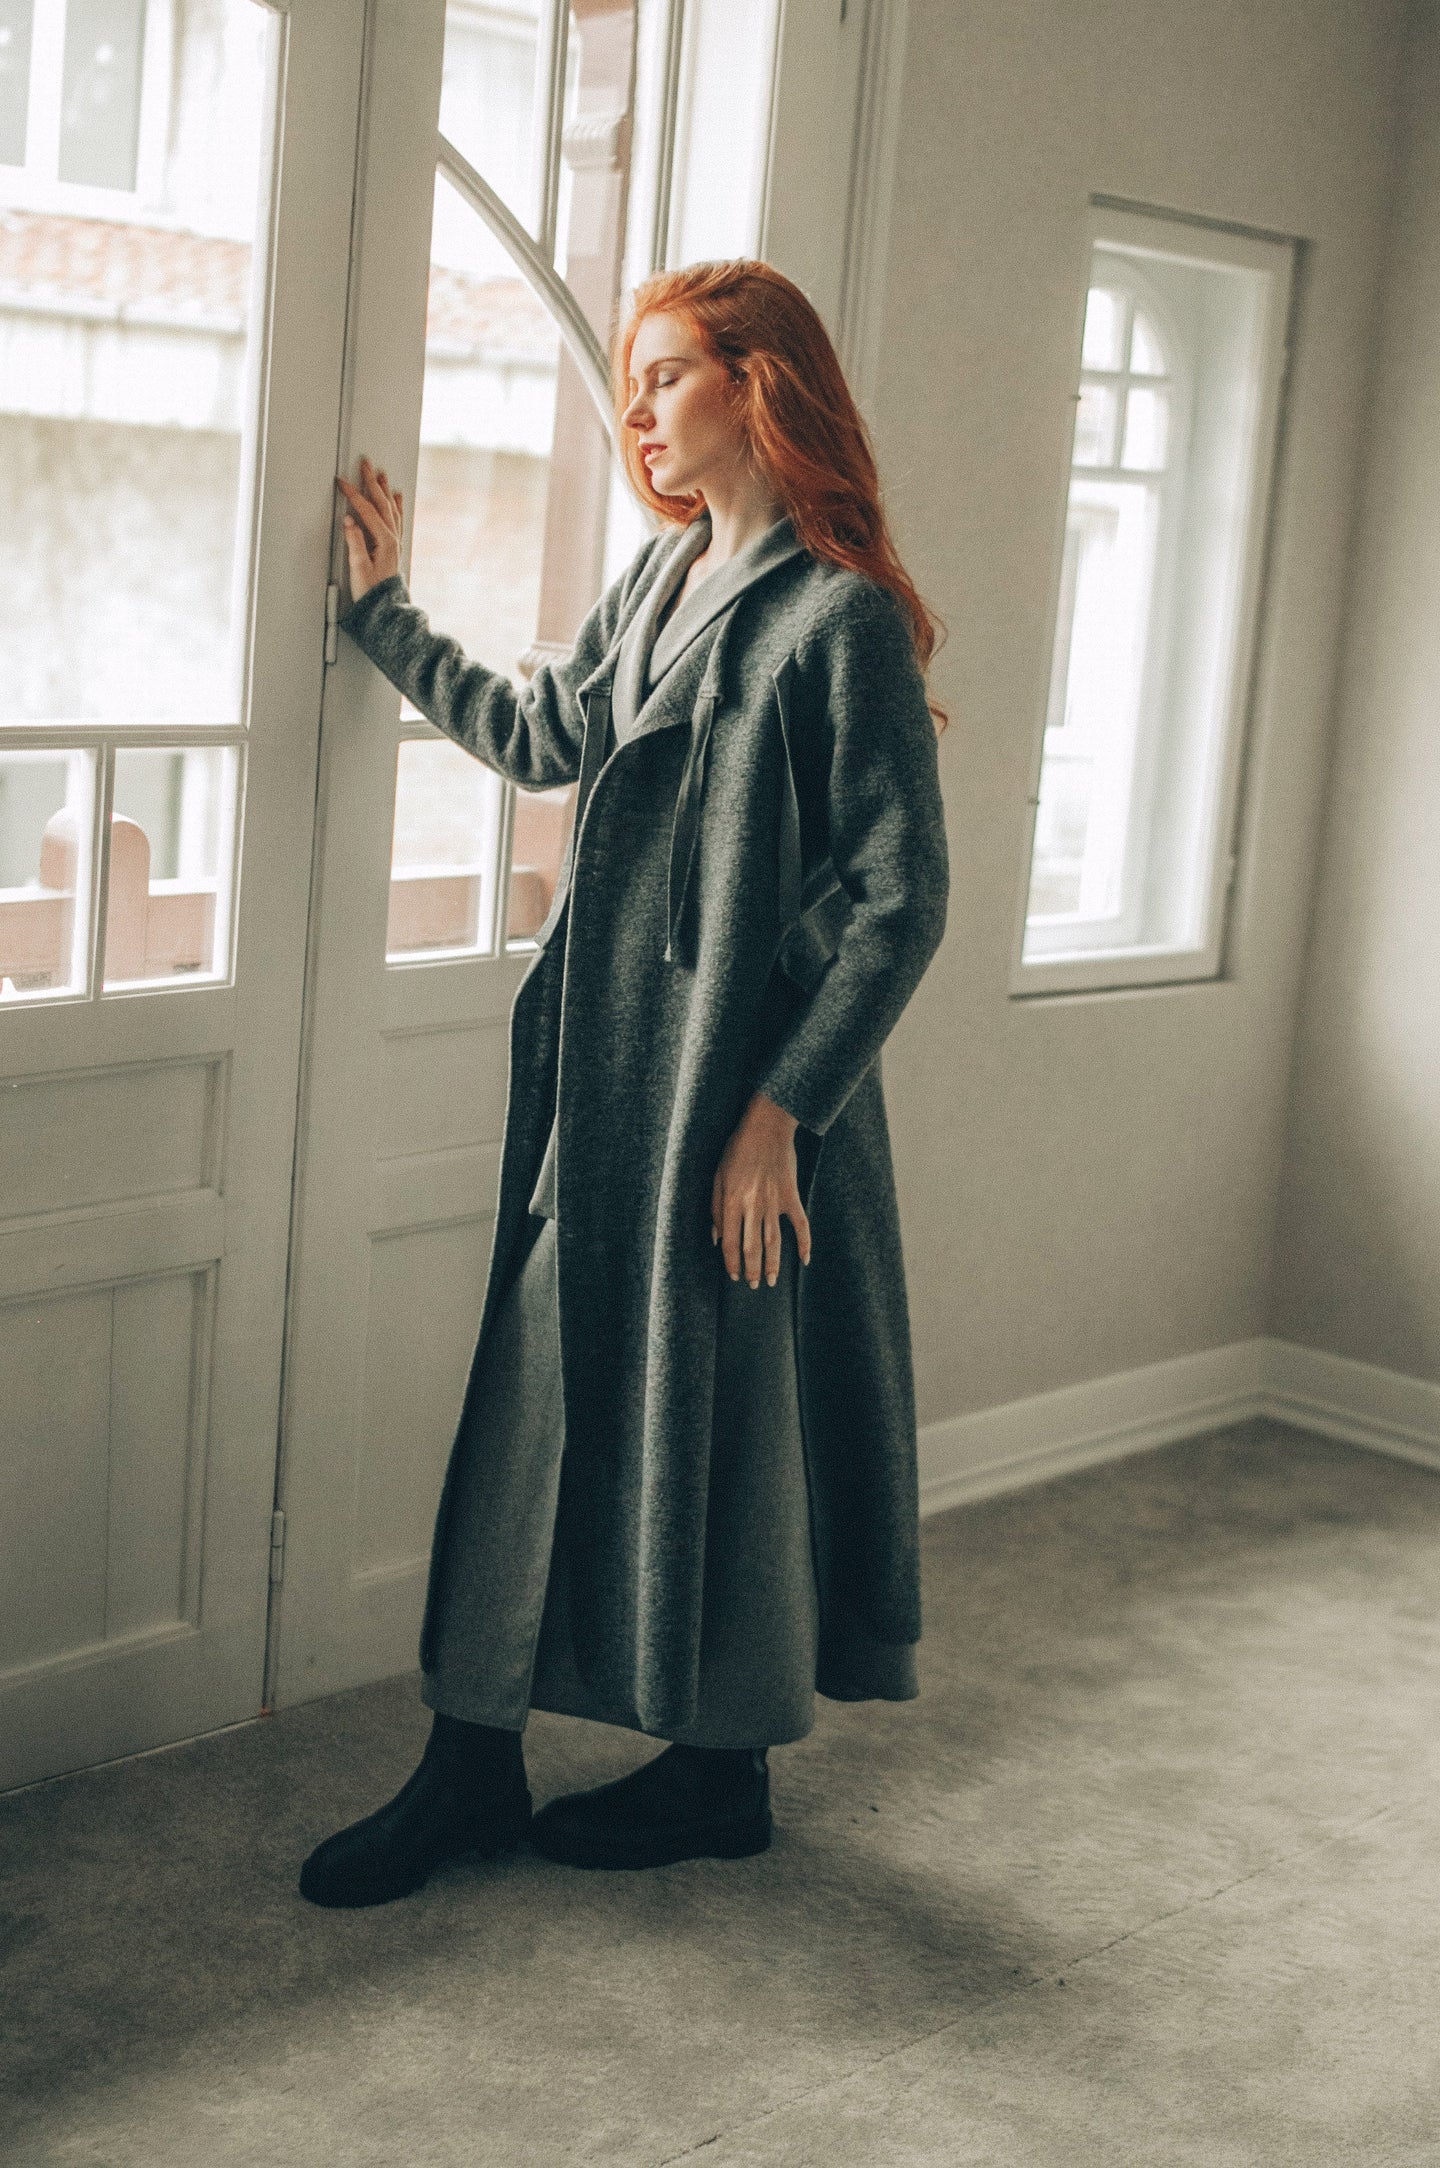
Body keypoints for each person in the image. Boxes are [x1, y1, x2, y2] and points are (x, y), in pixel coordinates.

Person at [298, 260, 949, 1908]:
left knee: (731, 1428)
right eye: (635, 380)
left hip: (744, 1115)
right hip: (608, 1092)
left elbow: (898, 896)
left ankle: (718, 1775)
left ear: (758, 385)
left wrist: (775, 1116)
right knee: (532, 1401)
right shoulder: (655, 582)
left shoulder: (839, 613)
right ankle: (470, 1759)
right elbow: (539, 735)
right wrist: (384, 615)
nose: (638, 407)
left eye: (667, 374)